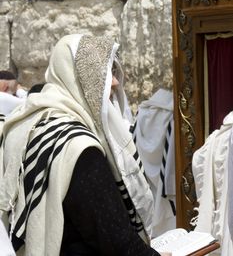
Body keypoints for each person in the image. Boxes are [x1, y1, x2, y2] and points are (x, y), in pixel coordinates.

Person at [0, 34, 171, 256]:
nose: (116, 82)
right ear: (81, 78)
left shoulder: (26, 122)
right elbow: (114, 240)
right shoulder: (78, 147)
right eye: (105, 73)